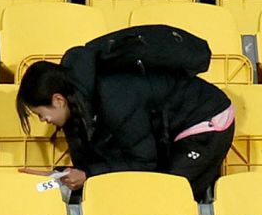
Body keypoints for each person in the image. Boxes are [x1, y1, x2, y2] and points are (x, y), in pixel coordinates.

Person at [17, 26, 235, 201]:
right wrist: (59, 177)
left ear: (58, 99)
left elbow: (144, 162)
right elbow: (93, 161)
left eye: (40, 114)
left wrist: (88, 175)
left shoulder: (114, 99)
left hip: (204, 120)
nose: (43, 120)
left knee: (167, 195)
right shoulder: (78, 100)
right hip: (170, 127)